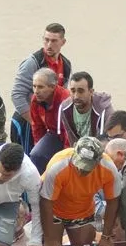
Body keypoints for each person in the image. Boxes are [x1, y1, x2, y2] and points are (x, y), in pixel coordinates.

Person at [10, 23, 72, 151]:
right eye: (46, 40)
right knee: (30, 160)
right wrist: (34, 121)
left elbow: (62, 100)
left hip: (49, 124)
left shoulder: (66, 64)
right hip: (27, 121)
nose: (49, 44)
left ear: (63, 42)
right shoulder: (32, 63)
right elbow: (17, 94)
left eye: (54, 41)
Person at [29, 67, 71, 173]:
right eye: (34, 86)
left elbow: (69, 130)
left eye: (40, 87)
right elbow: (37, 126)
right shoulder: (35, 100)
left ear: (52, 87)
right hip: (53, 134)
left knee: (64, 162)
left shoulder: (65, 99)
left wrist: (65, 154)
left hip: (70, 135)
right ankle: (40, 185)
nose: (36, 91)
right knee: (36, 154)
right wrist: (39, 145)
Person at [57, 71, 113, 144]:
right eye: (73, 91)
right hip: (79, 150)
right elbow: (70, 139)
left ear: (91, 92)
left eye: (81, 91)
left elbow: (109, 140)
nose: (76, 96)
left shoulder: (104, 108)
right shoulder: (65, 108)